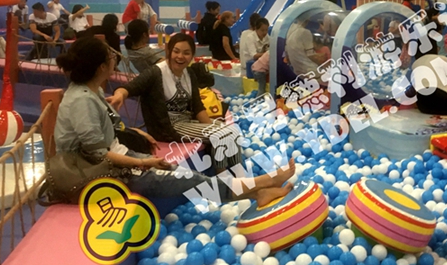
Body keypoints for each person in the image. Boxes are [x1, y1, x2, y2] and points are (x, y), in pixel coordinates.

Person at [54, 37, 291, 206]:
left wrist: (137, 133)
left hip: (120, 160)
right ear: (101, 67)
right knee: (189, 180)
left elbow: (197, 106)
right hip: (103, 173)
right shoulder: (82, 100)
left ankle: (256, 192)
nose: (115, 61)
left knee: (189, 171)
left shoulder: (92, 91)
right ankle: (259, 184)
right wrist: (144, 162)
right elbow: (98, 154)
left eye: (186, 53)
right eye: (111, 58)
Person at [108, 34, 240, 172]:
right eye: (176, 51)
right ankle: (225, 178)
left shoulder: (189, 74)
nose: (180, 56)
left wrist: (210, 127)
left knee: (231, 131)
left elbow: (197, 106)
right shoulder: (156, 73)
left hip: (187, 121)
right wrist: (119, 95)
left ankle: (237, 172)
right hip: (168, 128)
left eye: (186, 53)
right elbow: (131, 87)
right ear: (168, 51)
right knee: (221, 133)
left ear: (192, 55)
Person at [241, 17, 270, 88]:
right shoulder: (250, 38)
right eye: (262, 30)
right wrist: (268, 54)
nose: (265, 32)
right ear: (256, 29)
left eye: (266, 30)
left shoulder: (267, 37)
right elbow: (254, 55)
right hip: (250, 66)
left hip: (262, 64)